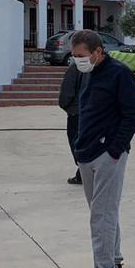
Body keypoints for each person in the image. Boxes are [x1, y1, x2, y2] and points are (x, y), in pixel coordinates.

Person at [68, 30, 135, 268]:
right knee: (104, 212)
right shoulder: (89, 74)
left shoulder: (119, 74)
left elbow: (132, 115)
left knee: (101, 214)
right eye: (74, 56)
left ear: (98, 52)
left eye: (81, 56)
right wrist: (79, 145)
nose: (77, 61)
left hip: (107, 154)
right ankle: (114, 264)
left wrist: (114, 149)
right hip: (87, 152)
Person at [58, 44, 89, 185]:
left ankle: (83, 172)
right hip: (91, 113)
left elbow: (66, 93)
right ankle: (83, 172)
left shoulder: (75, 68)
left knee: (76, 142)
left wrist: (68, 107)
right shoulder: (97, 67)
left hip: (77, 113)